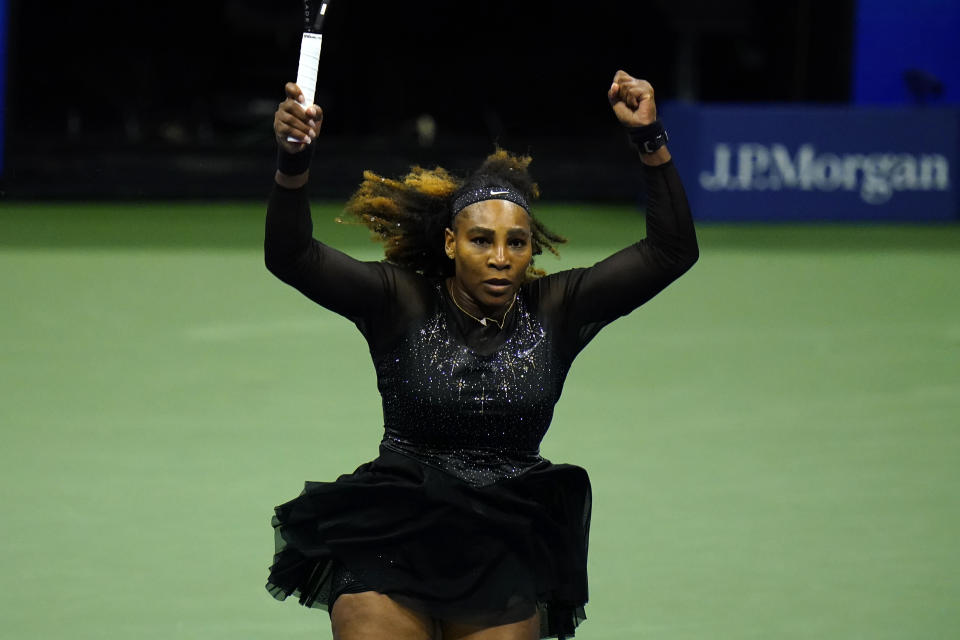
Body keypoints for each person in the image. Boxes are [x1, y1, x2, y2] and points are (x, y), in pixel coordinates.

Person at [264, 70, 698, 640]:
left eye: (516, 243)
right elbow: (291, 256)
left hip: (505, 535)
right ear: (450, 243)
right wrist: (293, 162)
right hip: (396, 528)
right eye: (480, 240)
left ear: (529, 250)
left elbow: (671, 251)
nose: (500, 257)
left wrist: (650, 140)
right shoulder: (400, 299)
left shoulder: (557, 308)